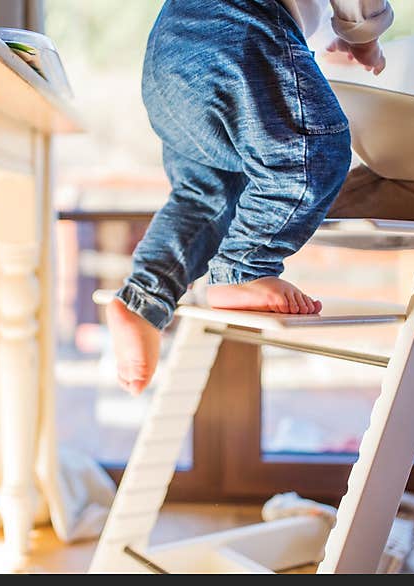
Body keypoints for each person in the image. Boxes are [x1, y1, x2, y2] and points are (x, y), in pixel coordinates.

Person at [108, 0, 394, 394]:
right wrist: (363, 35)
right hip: (239, 30)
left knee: (206, 197)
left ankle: (143, 297)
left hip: (167, 57)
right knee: (309, 153)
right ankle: (246, 267)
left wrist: (331, 35)